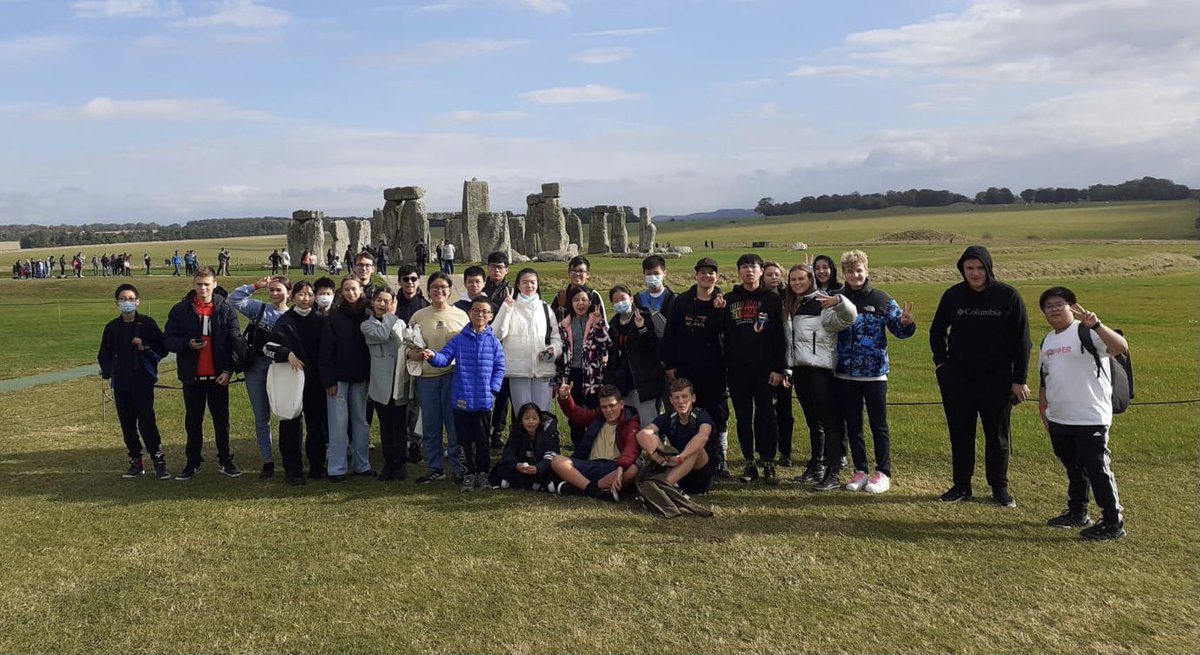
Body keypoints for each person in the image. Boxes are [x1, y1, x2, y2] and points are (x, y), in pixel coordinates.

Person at [930, 245, 1031, 507]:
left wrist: (1019, 379)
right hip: (959, 380)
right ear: (962, 270)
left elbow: (1022, 342)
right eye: (969, 268)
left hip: (997, 380)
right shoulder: (953, 295)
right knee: (960, 433)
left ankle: (999, 487)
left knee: (997, 437)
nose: (975, 273)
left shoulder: (1008, 296)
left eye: (980, 268)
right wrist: (942, 364)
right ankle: (961, 486)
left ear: (989, 268)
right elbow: (937, 331)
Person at [1036, 287, 1128, 540]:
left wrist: (1097, 324)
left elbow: (1120, 347)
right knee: (1074, 467)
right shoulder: (1047, 340)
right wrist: (1043, 407)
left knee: (1097, 467)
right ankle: (1077, 512)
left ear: (1071, 306)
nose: (1054, 309)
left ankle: (1113, 521)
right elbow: (1045, 377)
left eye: (1060, 304)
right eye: (1049, 306)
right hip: (1059, 417)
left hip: (1089, 416)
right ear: (1043, 312)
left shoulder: (1086, 332)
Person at [835, 249, 915, 494]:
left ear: (866, 271)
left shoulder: (881, 299)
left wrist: (906, 323)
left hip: (874, 374)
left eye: (859, 270)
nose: (854, 275)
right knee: (853, 424)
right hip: (845, 373)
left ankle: (883, 472)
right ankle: (860, 470)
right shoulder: (836, 298)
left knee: (878, 424)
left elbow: (900, 333)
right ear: (844, 274)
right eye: (849, 271)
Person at [164, 266, 243, 479]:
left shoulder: (225, 308)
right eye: (199, 284)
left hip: (218, 376)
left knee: (221, 422)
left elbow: (234, 341)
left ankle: (225, 460)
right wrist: (187, 344)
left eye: (207, 284)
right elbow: (168, 338)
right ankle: (193, 461)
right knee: (193, 422)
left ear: (214, 285)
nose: (203, 288)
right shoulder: (181, 310)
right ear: (193, 285)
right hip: (192, 377)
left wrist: (229, 370)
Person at [782, 263, 856, 490]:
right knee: (813, 422)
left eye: (801, 279)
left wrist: (841, 302)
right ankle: (817, 466)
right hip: (800, 369)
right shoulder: (792, 304)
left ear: (810, 280)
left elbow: (847, 319)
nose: (797, 283)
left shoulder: (821, 302)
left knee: (828, 422)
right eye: (793, 280)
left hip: (820, 369)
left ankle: (833, 473)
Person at [424, 295, 506, 491]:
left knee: (482, 442)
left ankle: (483, 474)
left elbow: (500, 367)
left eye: (485, 311)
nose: (480, 314)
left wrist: (493, 389)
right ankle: (467, 473)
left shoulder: (494, 342)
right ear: (469, 313)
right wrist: (433, 356)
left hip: (484, 402)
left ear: (491, 316)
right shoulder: (459, 339)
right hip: (462, 401)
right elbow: (444, 357)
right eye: (476, 310)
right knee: (463, 442)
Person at [662, 257, 731, 479]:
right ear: (696, 275)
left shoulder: (722, 301)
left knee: (718, 414)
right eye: (702, 272)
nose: (706, 276)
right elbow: (670, 334)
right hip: (686, 367)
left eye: (711, 272)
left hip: (714, 368)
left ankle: (720, 458)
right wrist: (670, 364)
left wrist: (719, 312)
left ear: (717, 276)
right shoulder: (681, 301)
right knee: (688, 412)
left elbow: (723, 333)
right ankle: (688, 455)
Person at [722, 253, 787, 486]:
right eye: (744, 267)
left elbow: (779, 337)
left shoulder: (772, 298)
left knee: (767, 416)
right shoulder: (728, 299)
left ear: (762, 271)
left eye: (754, 267)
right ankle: (749, 462)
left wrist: (779, 368)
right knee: (743, 418)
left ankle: (768, 462)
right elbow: (721, 335)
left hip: (766, 370)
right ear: (738, 271)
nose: (749, 271)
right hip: (738, 371)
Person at [98, 283, 170, 480]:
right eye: (123, 299)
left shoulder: (147, 324)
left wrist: (144, 347)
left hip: (142, 381)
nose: (127, 303)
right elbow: (103, 354)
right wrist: (108, 372)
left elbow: (162, 349)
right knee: (127, 423)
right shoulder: (112, 327)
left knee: (147, 422)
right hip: (121, 383)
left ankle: (158, 459)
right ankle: (135, 460)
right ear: (117, 303)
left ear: (137, 301)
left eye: (130, 299)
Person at [407, 272, 470, 484]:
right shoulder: (419, 316)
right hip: (427, 377)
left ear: (450, 290)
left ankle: (457, 467)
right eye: (434, 287)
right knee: (431, 425)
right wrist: (411, 354)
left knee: (453, 425)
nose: (439, 291)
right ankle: (434, 467)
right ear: (428, 291)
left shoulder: (461, 315)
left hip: (453, 376)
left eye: (443, 287)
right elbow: (407, 345)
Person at [264, 281, 329, 484]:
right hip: (291, 381)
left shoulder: (321, 320)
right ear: (293, 297)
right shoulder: (285, 321)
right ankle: (293, 470)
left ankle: (317, 467)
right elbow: (268, 347)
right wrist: (287, 353)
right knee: (290, 425)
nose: (305, 298)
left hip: (315, 382)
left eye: (310, 294)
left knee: (316, 425)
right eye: (301, 294)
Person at [229, 275, 291, 479]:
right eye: (271, 290)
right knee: (261, 416)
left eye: (279, 289)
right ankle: (268, 461)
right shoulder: (260, 309)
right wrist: (256, 285)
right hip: (256, 366)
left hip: (281, 368)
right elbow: (234, 299)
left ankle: (291, 456)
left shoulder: (292, 316)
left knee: (287, 414)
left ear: (288, 293)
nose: (274, 293)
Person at [319, 277, 374, 482]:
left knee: (361, 422)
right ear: (342, 293)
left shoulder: (369, 315)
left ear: (361, 290)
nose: (350, 293)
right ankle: (337, 467)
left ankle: (362, 464)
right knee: (338, 424)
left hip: (361, 378)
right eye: (346, 290)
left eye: (354, 289)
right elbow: (326, 351)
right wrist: (329, 381)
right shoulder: (334, 317)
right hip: (338, 379)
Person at [551, 382, 640, 501]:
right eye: (604, 407)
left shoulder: (631, 420)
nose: (608, 410)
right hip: (590, 465)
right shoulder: (597, 416)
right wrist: (565, 397)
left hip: (613, 467)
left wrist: (620, 467)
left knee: (632, 470)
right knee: (557, 461)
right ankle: (597, 491)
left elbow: (631, 446)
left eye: (612, 405)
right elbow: (577, 414)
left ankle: (580, 488)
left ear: (621, 404)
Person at [360, 287, 413, 482]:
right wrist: (391, 315)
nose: (383, 304)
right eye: (379, 300)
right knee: (386, 426)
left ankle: (400, 463)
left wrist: (394, 319)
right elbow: (382, 335)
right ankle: (388, 462)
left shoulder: (399, 323)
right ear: (373, 302)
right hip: (380, 384)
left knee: (399, 426)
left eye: (387, 301)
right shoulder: (367, 325)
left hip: (398, 382)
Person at [493, 268, 562, 415]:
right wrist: (506, 308)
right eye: (525, 282)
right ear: (518, 285)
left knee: (543, 414)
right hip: (518, 370)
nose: (529, 286)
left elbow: (556, 338)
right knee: (522, 415)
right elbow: (497, 334)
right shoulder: (510, 307)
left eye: (532, 282)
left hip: (543, 369)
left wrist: (552, 351)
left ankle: (543, 439)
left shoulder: (545, 308)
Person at [635, 378, 716, 495]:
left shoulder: (702, 416)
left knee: (696, 450)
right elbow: (642, 434)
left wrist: (680, 458)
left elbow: (702, 437)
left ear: (693, 398)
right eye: (677, 398)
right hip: (676, 469)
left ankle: (664, 485)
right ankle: (665, 485)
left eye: (684, 397)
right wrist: (655, 455)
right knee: (653, 437)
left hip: (700, 475)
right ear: (671, 400)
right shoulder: (669, 417)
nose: (681, 401)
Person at [554, 284, 612, 447]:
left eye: (584, 300)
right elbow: (560, 355)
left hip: (593, 375)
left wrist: (599, 324)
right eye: (576, 300)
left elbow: (606, 345)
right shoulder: (563, 325)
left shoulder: (596, 322)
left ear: (589, 302)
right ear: (570, 303)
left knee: (596, 411)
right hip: (572, 374)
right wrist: (559, 379)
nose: (580, 303)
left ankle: (597, 446)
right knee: (574, 413)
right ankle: (578, 446)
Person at [604, 285, 663, 429]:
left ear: (631, 299)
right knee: (629, 423)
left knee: (647, 421)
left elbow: (652, 346)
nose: (620, 303)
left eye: (623, 298)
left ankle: (655, 450)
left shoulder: (644, 316)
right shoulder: (613, 325)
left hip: (644, 381)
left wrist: (642, 328)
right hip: (624, 382)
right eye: (615, 300)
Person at [761, 259, 795, 467]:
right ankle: (767, 451)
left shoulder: (790, 297)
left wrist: (786, 367)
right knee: (766, 411)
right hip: (764, 362)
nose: (774, 277)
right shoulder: (760, 299)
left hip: (787, 361)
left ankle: (786, 451)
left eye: (776, 274)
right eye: (769, 274)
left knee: (785, 410)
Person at [490, 402, 561, 491]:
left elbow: (552, 455)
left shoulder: (548, 434)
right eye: (526, 418)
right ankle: (536, 485)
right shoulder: (516, 433)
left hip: (540, 469)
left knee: (555, 471)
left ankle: (519, 483)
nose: (531, 422)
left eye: (534, 418)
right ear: (521, 420)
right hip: (521, 470)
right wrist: (517, 465)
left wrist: (538, 468)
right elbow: (508, 453)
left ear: (540, 420)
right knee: (501, 468)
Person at [483, 252, 513, 447]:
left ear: (506, 270)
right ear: (488, 268)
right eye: (493, 266)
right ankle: (483, 428)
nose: (496, 270)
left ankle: (498, 430)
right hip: (484, 346)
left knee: (503, 393)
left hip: (506, 347)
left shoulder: (512, 292)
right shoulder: (481, 289)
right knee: (484, 390)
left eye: (500, 267)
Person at [634, 254, 677, 341]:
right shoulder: (637, 299)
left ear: (664, 273)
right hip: (645, 348)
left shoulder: (675, 299)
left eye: (656, 273)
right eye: (649, 274)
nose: (652, 277)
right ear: (644, 274)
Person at [550, 255, 606, 321]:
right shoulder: (560, 297)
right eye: (574, 270)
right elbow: (551, 323)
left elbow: (604, 325)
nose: (577, 274)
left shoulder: (594, 295)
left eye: (581, 271)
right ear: (568, 272)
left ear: (587, 274)